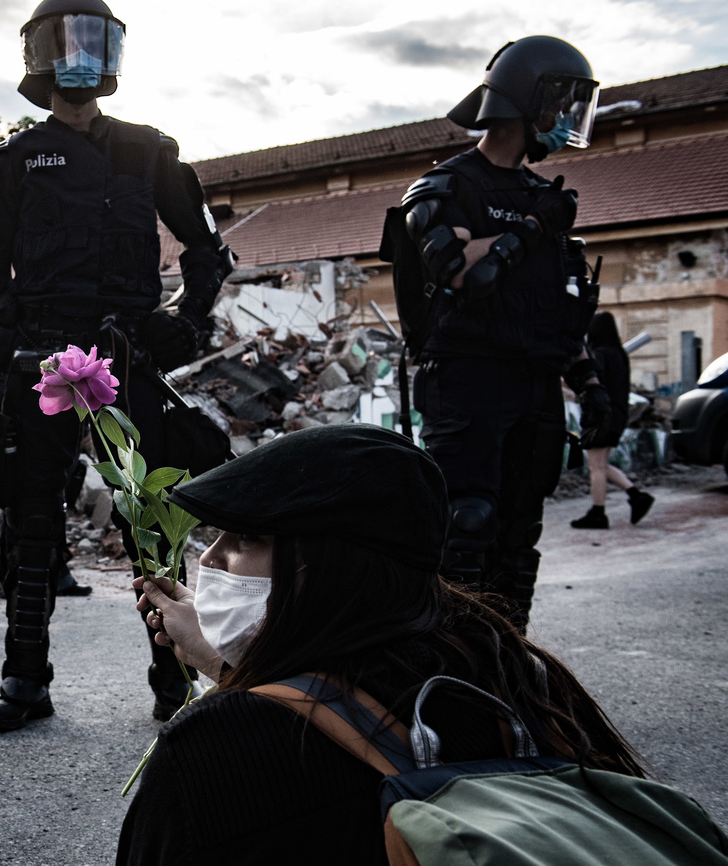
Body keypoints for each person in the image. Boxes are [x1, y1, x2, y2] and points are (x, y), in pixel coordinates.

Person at [119, 424, 646, 864]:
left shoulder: (213, 750)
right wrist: (224, 662)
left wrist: (231, 695)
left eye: (246, 538)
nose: (209, 560)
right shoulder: (515, 678)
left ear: (326, 565)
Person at [0, 0, 234, 731]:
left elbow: (208, 249)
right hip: (44, 358)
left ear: (114, 52)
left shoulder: (151, 149)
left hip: (129, 355)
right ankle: (25, 682)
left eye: (96, 38)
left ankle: (173, 678)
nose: (81, 53)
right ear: (38, 56)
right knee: (31, 520)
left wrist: (189, 319)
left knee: (149, 515)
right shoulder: (16, 158)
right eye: (67, 39)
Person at [399, 35, 611, 629]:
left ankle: (505, 659)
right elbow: (463, 272)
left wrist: (589, 381)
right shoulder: (446, 186)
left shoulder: (546, 198)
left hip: (538, 384)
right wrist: (531, 227)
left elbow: (561, 306)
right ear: (526, 99)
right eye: (562, 102)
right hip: (468, 381)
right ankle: (447, 664)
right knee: (466, 523)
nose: (566, 120)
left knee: (520, 537)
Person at [571, 311, 655, 529]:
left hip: (599, 415)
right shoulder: (619, 355)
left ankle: (598, 513)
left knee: (596, 467)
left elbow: (591, 383)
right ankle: (636, 496)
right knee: (601, 464)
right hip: (617, 415)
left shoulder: (599, 354)